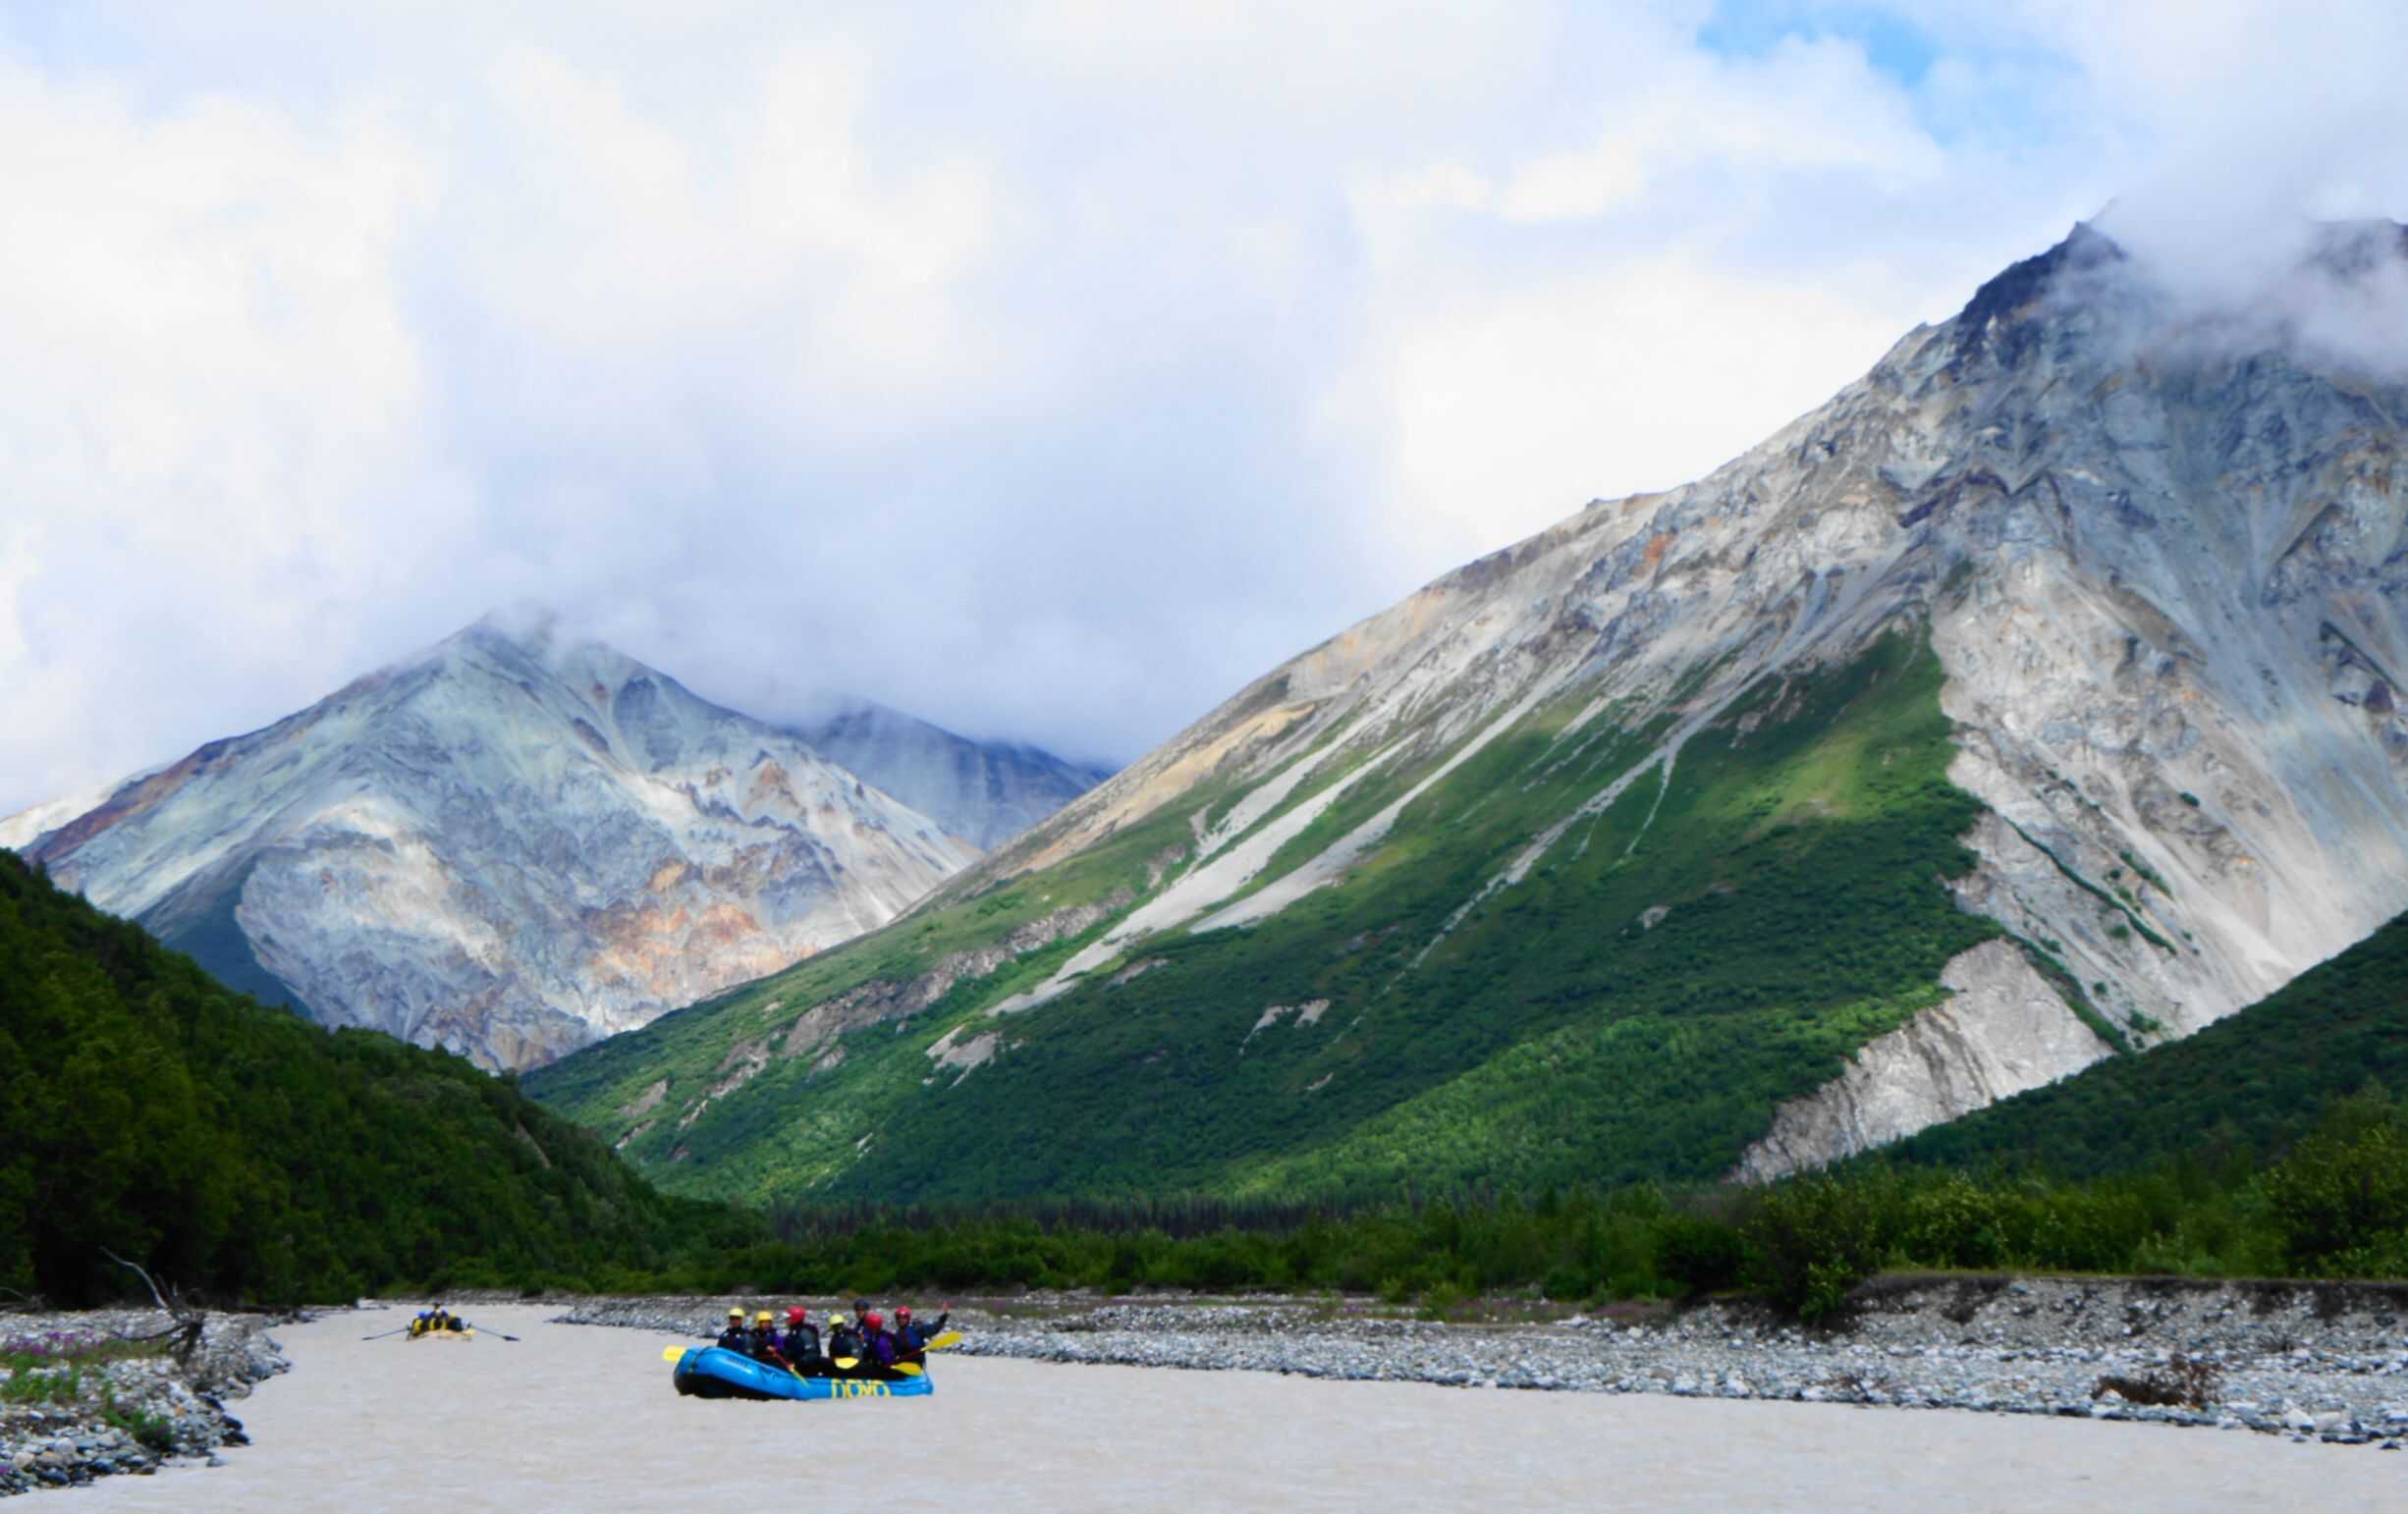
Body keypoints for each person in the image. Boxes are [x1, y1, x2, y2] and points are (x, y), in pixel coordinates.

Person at [781, 1307, 826, 1375]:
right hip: (796, 1366)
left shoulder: (805, 1332)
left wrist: (797, 1364)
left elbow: (812, 1354)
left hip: (807, 1368)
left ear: (794, 1319)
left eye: (788, 1318)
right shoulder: (793, 1332)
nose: (786, 1320)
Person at [856, 1310, 900, 1377]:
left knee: (860, 1368)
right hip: (882, 1365)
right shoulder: (879, 1334)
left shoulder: (880, 1342)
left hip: (884, 1369)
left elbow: (886, 1361)